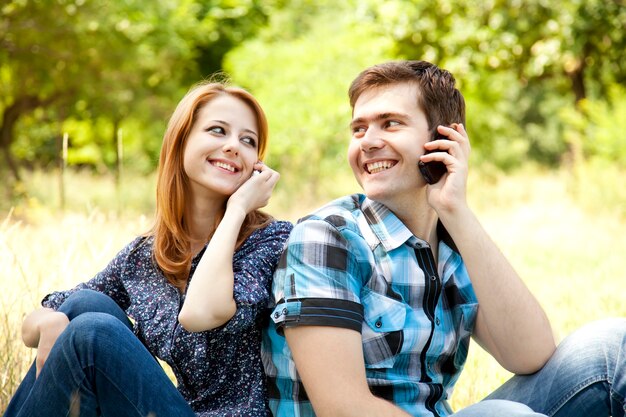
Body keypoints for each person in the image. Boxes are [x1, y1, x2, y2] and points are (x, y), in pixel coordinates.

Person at [263, 60, 626, 417]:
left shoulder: (453, 239)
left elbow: (530, 354)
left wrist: (457, 211)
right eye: (359, 129)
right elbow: (343, 409)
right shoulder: (327, 239)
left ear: (442, 139)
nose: (369, 142)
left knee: (614, 345)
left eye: (390, 124)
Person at [5, 81, 293, 417]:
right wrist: (48, 322)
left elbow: (199, 314)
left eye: (248, 141)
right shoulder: (145, 255)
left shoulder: (271, 240)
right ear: (180, 141)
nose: (233, 147)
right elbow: (47, 316)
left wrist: (238, 209)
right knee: (86, 305)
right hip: (176, 409)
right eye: (218, 131)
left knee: (93, 332)